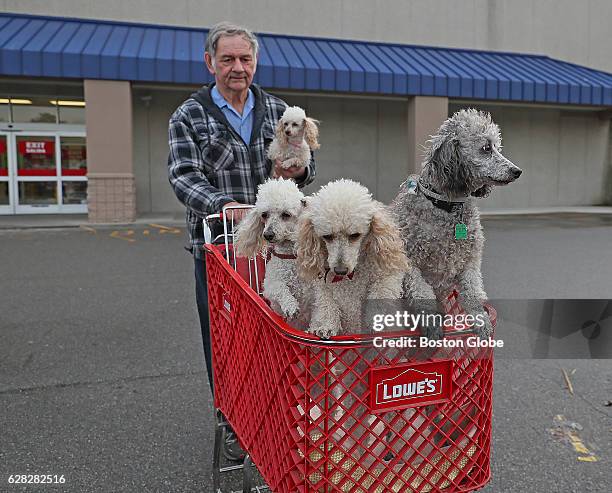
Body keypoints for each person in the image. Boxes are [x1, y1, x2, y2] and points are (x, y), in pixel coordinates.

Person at [167, 22, 315, 460]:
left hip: (277, 247)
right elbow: (182, 176)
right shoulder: (189, 116)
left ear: (255, 62)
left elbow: (308, 162)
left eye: (245, 59)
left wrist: (300, 173)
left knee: (281, 329)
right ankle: (232, 420)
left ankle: (282, 413)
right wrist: (224, 204)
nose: (238, 68)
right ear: (210, 62)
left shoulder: (277, 111)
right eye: (227, 59)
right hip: (220, 251)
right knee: (228, 339)